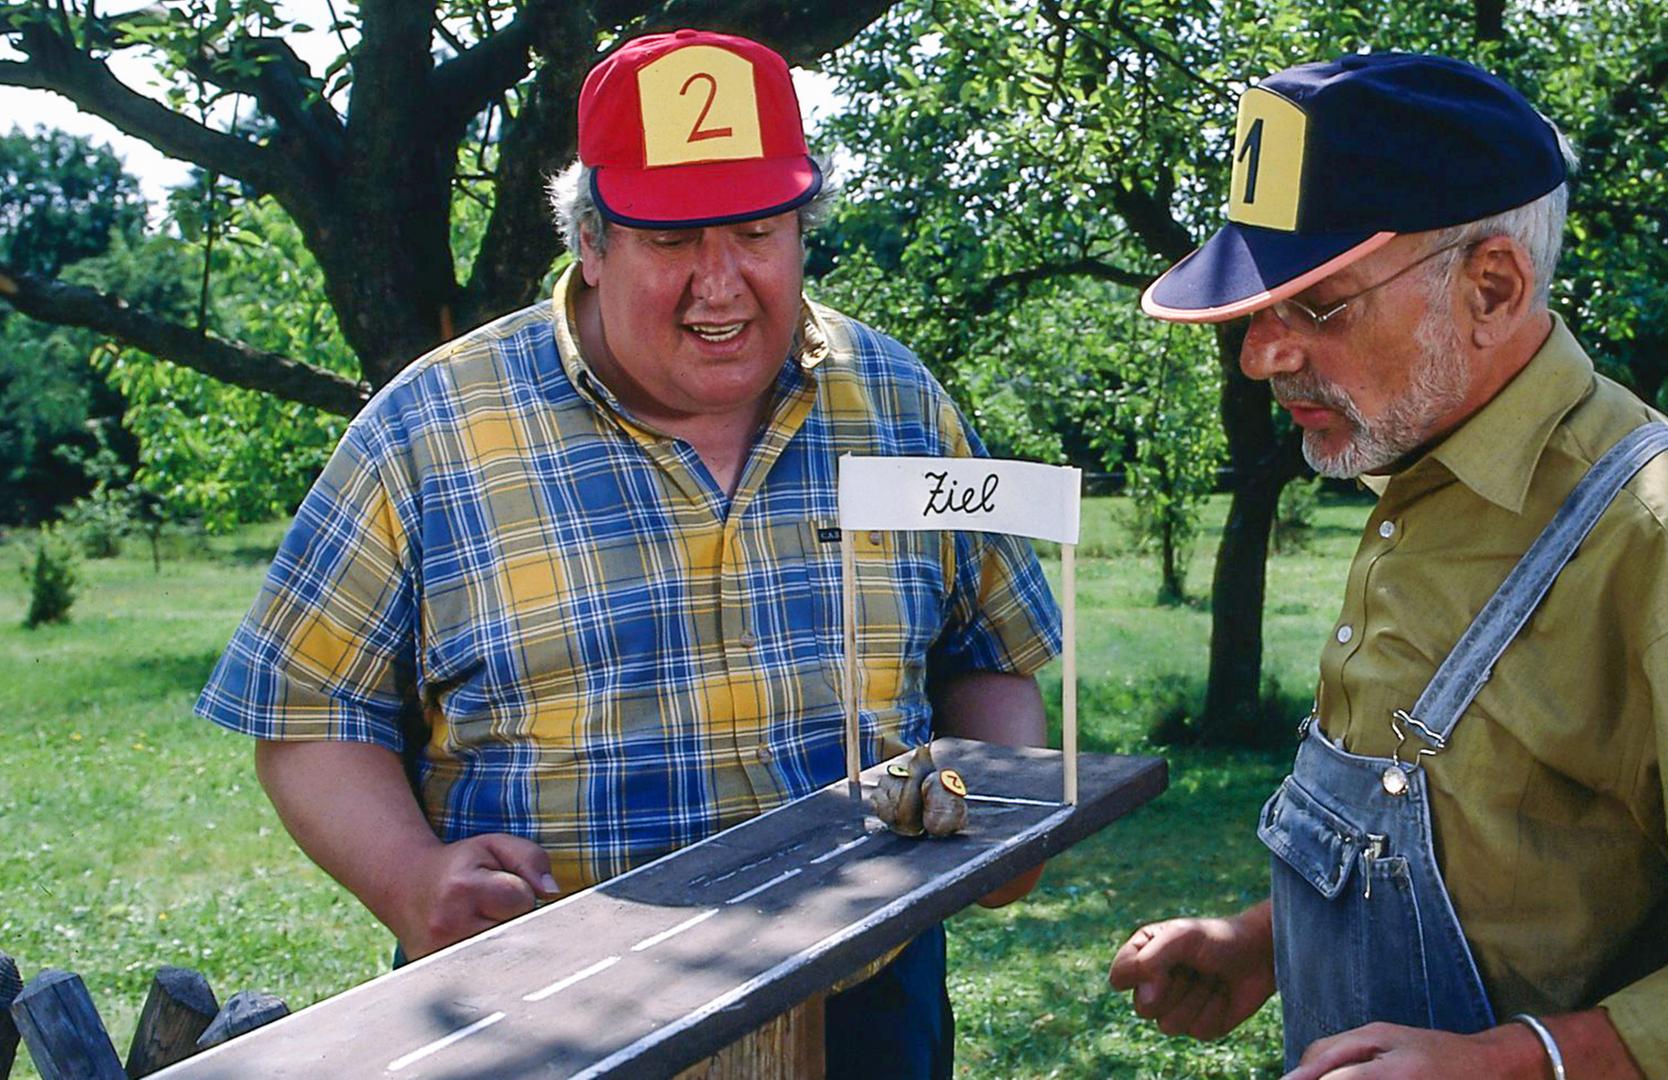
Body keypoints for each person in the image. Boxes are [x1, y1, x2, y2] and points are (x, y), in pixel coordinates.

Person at [196, 28, 1060, 1079]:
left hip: (867, 1001)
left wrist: (1002, 810)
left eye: (754, 231)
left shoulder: (894, 397)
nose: (721, 283)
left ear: (803, 229)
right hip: (542, 1016)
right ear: (591, 243)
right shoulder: (431, 430)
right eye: (672, 240)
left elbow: (986, 647)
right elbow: (306, 714)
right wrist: (410, 880)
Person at [1107, 53, 1668, 1079]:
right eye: (1258, 306)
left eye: (1318, 307)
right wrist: (1263, 944)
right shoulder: (1421, 475)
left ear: (1492, 286)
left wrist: (1514, 1063)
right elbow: (1504, 855)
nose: (1261, 354)